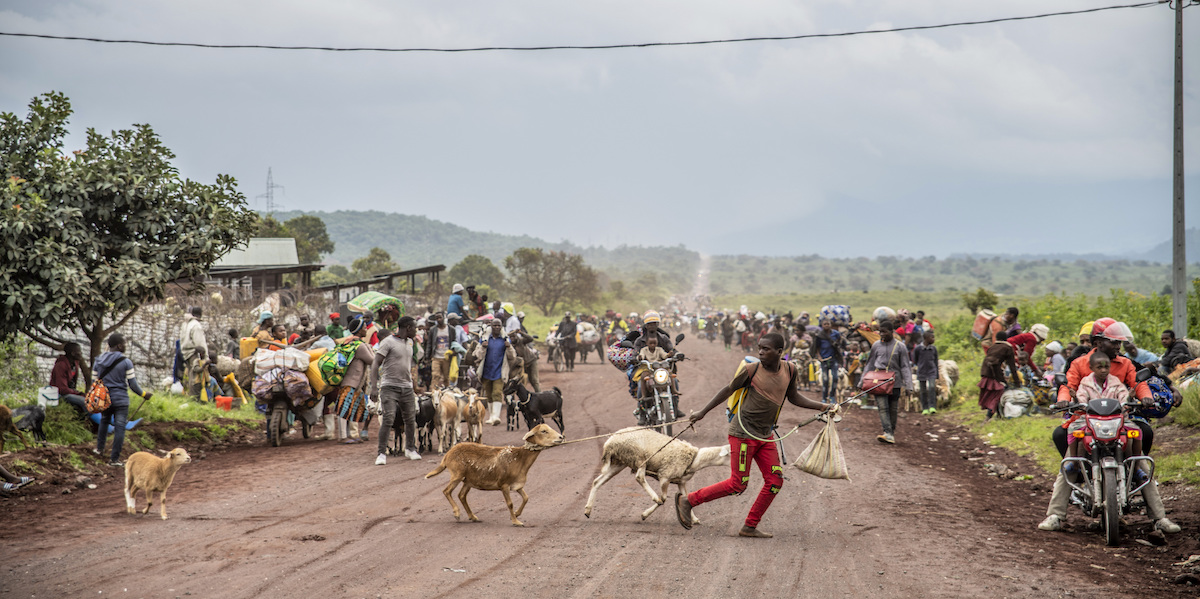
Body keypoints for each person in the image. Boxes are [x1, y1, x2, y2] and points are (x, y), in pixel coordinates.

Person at [678, 332, 834, 538]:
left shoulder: (790, 369)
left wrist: (824, 406)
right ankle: (688, 500)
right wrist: (702, 413)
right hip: (742, 434)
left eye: (766, 349)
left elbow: (794, 397)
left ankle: (749, 526)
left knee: (775, 480)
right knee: (738, 484)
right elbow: (727, 390)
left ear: (780, 352)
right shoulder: (751, 370)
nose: (760, 352)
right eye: (759, 347)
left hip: (765, 435)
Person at [1039, 320, 1179, 534]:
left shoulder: (1125, 363)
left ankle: (1159, 518)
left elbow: (1137, 383)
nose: (1118, 347)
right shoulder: (1079, 363)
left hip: (1119, 418)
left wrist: (1146, 397)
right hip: (1085, 418)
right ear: (1098, 342)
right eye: (1114, 342)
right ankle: (1056, 515)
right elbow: (1069, 385)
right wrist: (1064, 399)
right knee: (1069, 460)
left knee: (1141, 461)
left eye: (1119, 343)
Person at [92, 333, 152, 467]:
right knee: (120, 427)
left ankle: (99, 449)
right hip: (121, 400)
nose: (125, 346)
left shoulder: (98, 361)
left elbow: (93, 382)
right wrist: (144, 394)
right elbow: (133, 385)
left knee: (104, 420)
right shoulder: (126, 362)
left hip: (104, 399)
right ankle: (114, 459)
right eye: (124, 343)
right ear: (119, 345)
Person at [369, 316, 422, 464]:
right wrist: (374, 387)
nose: (417, 330)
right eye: (415, 327)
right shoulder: (388, 342)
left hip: (407, 387)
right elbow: (375, 364)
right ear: (408, 328)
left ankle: (410, 449)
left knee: (410, 419)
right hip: (389, 387)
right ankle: (381, 453)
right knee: (388, 418)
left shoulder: (410, 342)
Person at [860, 320, 913, 443]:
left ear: (892, 332)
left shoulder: (900, 347)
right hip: (879, 381)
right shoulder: (876, 345)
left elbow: (905, 366)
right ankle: (887, 432)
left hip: (895, 382)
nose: (882, 334)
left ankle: (891, 432)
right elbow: (870, 364)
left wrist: (909, 385)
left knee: (893, 408)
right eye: (880, 332)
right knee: (882, 407)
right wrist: (862, 381)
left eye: (885, 332)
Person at [333, 317, 377, 444]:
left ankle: (349, 435)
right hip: (351, 381)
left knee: (349, 408)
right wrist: (369, 347)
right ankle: (343, 436)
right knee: (343, 409)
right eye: (364, 328)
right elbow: (373, 361)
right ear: (358, 331)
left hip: (350, 381)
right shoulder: (360, 346)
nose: (366, 330)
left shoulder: (349, 342)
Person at [473, 319, 517, 426]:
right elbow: (477, 355)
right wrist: (483, 347)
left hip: (499, 371)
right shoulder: (484, 339)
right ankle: (491, 416)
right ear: (491, 327)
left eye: (499, 325)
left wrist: (509, 347)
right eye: (495, 325)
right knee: (489, 394)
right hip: (486, 371)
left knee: (497, 392)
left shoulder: (505, 340)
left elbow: (513, 356)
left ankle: (495, 416)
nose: (497, 327)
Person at [977, 331, 1019, 422]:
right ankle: (988, 417)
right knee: (998, 394)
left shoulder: (992, 347)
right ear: (1006, 338)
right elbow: (1012, 367)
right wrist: (1017, 382)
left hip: (985, 373)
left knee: (995, 394)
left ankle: (999, 415)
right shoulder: (1007, 348)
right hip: (994, 373)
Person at [808, 319, 844, 404]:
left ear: (830, 325)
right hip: (824, 360)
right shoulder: (819, 335)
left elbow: (840, 342)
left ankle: (832, 396)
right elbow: (817, 347)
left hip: (833, 358)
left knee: (835, 378)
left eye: (828, 324)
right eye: (825, 324)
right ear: (822, 325)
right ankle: (824, 397)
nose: (827, 325)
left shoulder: (836, 334)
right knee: (825, 380)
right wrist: (819, 357)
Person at [50, 342, 89, 419]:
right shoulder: (61, 365)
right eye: (79, 351)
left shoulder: (74, 363)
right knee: (85, 402)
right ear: (73, 353)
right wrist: (78, 393)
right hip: (59, 395)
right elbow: (62, 389)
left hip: (69, 392)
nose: (81, 353)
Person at [179, 306, 207, 399]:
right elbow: (200, 343)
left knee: (189, 374)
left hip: (185, 352)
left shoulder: (185, 323)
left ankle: (189, 396)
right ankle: (195, 398)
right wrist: (205, 357)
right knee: (195, 377)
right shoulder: (196, 326)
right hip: (193, 353)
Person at [913, 330, 939, 415]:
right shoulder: (918, 349)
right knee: (923, 391)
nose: (933, 339)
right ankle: (925, 408)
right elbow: (915, 360)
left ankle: (932, 407)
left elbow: (935, 361)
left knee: (932, 388)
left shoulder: (933, 349)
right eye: (932, 337)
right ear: (926, 338)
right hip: (922, 372)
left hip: (932, 371)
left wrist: (937, 374)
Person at [425, 313, 453, 389]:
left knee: (446, 377)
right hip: (436, 356)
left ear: (444, 318)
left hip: (446, 357)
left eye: (440, 317)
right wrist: (427, 356)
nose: (438, 320)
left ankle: (447, 392)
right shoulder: (433, 330)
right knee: (435, 375)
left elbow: (454, 342)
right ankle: (433, 393)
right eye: (437, 318)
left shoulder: (450, 329)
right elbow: (429, 344)